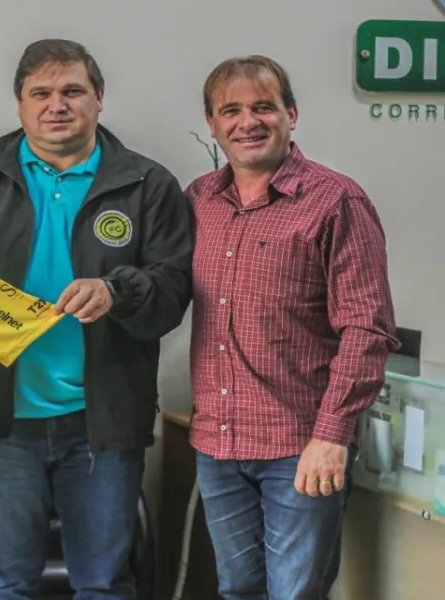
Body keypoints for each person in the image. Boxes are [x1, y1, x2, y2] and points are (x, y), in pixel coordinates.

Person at [0, 39, 193, 599]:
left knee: (104, 585)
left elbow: (173, 289)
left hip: (102, 421)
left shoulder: (148, 184)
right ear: (20, 103)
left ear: (99, 97)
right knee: (4, 581)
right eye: (40, 93)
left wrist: (116, 291)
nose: (57, 105)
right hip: (1, 418)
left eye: (72, 91)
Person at [184, 55, 398, 599]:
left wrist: (331, 436)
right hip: (218, 442)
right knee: (237, 589)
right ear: (211, 123)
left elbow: (368, 329)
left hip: (299, 446)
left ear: (291, 114)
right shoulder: (199, 200)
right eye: (230, 110)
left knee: (295, 594)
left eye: (263, 107)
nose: (247, 123)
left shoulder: (336, 201)